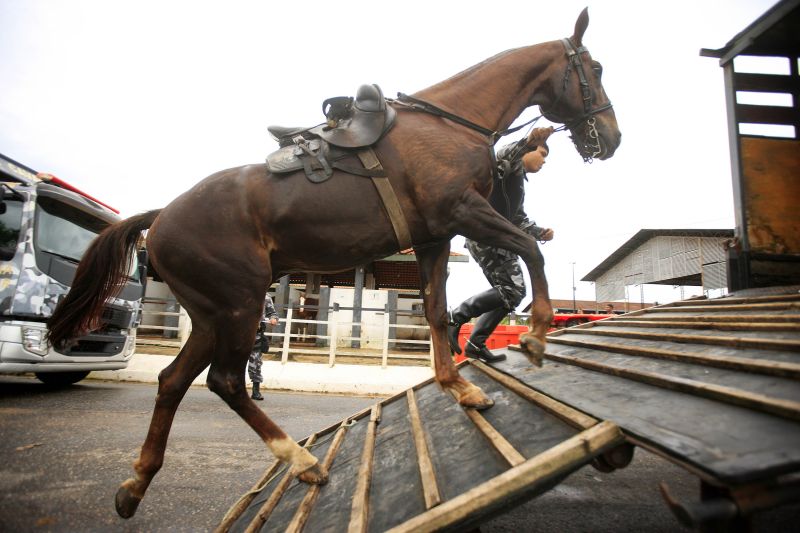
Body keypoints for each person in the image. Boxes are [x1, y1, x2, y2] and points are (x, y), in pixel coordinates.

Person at [448, 126, 555, 364]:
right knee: (513, 290)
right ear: (528, 153)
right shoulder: (508, 165)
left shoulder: (518, 183)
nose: (544, 161)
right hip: (486, 236)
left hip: (496, 239)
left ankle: (476, 344)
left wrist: (540, 232)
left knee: (511, 294)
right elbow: (504, 154)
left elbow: (518, 219)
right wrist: (528, 142)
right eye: (543, 154)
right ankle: (456, 317)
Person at [249, 293, 279, 400]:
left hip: (256, 336)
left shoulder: (266, 297)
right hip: (239, 336)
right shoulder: (241, 291)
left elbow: (272, 313)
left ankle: (255, 391)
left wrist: (274, 319)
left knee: (255, 364)